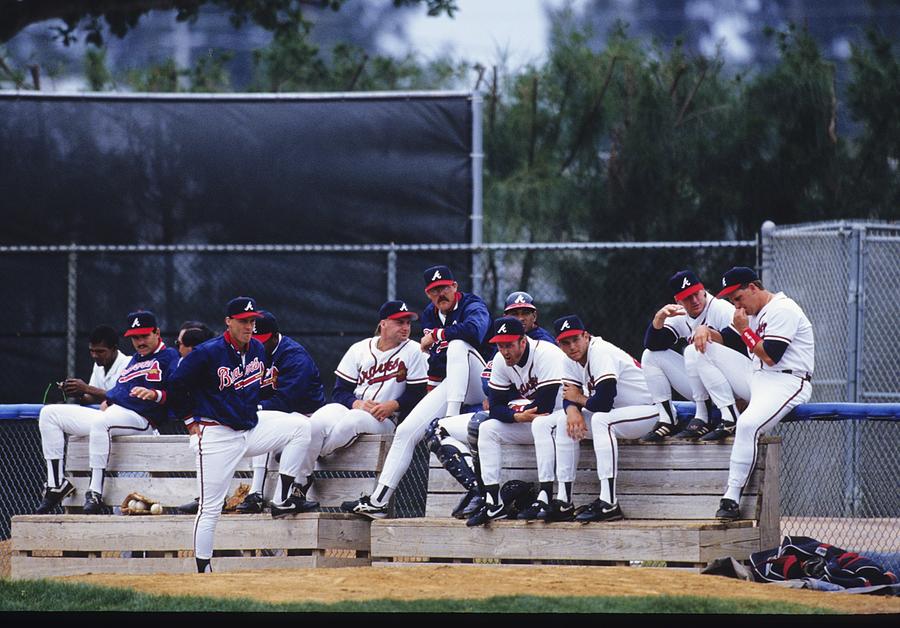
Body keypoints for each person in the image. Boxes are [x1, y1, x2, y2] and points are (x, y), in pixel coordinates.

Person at [133, 297, 314, 573]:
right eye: (243, 321)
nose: (249, 326)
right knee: (210, 509)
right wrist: (190, 420)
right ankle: (203, 570)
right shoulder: (208, 352)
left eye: (252, 321)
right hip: (217, 435)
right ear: (228, 322)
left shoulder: (256, 349)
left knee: (300, 427)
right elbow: (176, 384)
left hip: (250, 428)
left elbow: (256, 389)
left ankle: (282, 498)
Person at [341, 265, 490, 519]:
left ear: (455, 287)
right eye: (434, 291)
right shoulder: (431, 315)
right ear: (428, 294)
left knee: (455, 345)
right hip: (453, 383)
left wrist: (439, 335)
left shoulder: (472, 305)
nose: (440, 293)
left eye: (444, 287)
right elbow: (435, 365)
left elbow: (475, 331)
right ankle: (378, 502)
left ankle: (450, 418)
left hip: (482, 379)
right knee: (406, 432)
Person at [428, 290, 558, 520]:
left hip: (545, 420)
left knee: (481, 424)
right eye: (514, 313)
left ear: (534, 316)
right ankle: (482, 492)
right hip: (516, 419)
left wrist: (507, 408)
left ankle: (498, 495)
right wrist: (510, 411)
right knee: (437, 429)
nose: (520, 318)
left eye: (525, 312)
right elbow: (495, 400)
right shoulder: (501, 351)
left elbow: (542, 404)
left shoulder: (545, 347)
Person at [36, 311, 179, 514]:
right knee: (49, 414)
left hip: (142, 419)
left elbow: (177, 391)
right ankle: (56, 483)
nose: (139, 341)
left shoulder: (169, 356)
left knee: (101, 423)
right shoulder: (135, 361)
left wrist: (155, 394)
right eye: (135, 337)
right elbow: (116, 393)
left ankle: (94, 491)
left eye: (144, 336)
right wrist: (101, 397)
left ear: (157, 333)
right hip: (116, 416)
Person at [705, 267, 813, 520]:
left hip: (786, 380)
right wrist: (705, 334)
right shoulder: (751, 313)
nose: (736, 305)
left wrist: (744, 330)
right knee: (700, 350)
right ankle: (727, 411)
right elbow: (728, 342)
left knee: (749, 425)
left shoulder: (783, 309)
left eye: (738, 297)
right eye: (732, 301)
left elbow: (771, 356)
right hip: (757, 376)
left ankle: (731, 498)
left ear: (753, 287)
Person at [304, 300, 428, 500]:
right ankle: (301, 480)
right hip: (357, 407)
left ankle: (308, 454)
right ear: (383, 323)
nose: (405, 327)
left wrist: (393, 405)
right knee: (318, 420)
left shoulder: (413, 351)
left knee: (354, 421)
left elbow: (418, 393)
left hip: (386, 419)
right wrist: (357, 403)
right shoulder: (359, 349)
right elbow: (340, 392)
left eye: (408, 323)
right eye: (399, 322)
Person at [552, 315, 660, 523]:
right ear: (560, 344)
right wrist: (572, 410)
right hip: (620, 413)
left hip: (648, 410)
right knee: (562, 422)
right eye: (566, 342)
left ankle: (609, 502)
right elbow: (569, 395)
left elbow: (603, 402)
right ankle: (564, 501)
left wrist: (577, 399)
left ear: (586, 336)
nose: (572, 346)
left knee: (601, 420)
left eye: (576, 339)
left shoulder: (600, 351)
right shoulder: (569, 360)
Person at [465, 316, 569, 527]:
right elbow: (495, 408)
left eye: (509, 345)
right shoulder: (502, 362)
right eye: (500, 345)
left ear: (523, 341)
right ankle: (494, 502)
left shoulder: (546, 354)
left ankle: (545, 496)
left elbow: (545, 406)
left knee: (541, 422)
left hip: (564, 416)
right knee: (487, 428)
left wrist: (513, 409)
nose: (504, 351)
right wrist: (516, 416)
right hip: (531, 420)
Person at [233, 310, 326, 514]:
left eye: (262, 340)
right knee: (257, 421)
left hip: (305, 415)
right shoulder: (248, 354)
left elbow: (286, 400)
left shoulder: (294, 356)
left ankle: (268, 493)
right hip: (277, 415)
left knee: (262, 419)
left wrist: (254, 408)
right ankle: (255, 493)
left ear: (275, 336)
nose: (256, 344)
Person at [639, 270, 749, 441]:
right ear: (678, 300)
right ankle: (668, 419)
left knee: (693, 350)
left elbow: (742, 347)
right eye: (688, 297)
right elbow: (653, 345)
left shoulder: (720, 309)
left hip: (736, 385)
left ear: (703, 289)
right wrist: (658, 319)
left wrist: (742, 394)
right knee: (650, 356)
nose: (695, 300)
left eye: (696, 293)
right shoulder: (681, 314)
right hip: (707, 389)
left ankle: (720, 417)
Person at [58, 324, 131, 405]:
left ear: (114, 348)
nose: (94, 355)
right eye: (92, 351)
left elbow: (121, 398)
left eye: (100, 351)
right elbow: (92, 399)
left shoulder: (129, 364)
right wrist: (79, 394)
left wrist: (86, 388)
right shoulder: (98, 365)